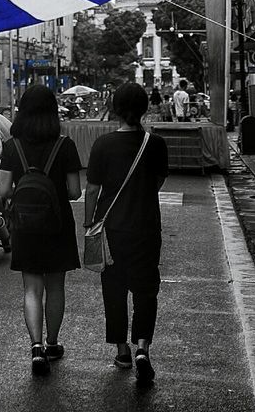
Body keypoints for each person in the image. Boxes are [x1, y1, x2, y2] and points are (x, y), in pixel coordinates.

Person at [83, 82, 170, 384]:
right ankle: (143, 346)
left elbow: (92, 189)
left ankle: (122, 350)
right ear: (145, 109)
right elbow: (158, 181)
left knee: (114, 288)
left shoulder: (103, 145)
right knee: (146, 288)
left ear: (115, 109)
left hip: (111, 229)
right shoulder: (155, 144)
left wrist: (88, 223)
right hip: (147, 226)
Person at [0, 85, 83, 375]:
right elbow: (74, 192)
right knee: (55, 286)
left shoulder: (13, 146)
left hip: (25, 226)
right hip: (58, 225)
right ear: (52, 112)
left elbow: (3, 189)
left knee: (31, 288)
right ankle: (52, 343)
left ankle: (35, 348)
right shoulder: (66, 145)